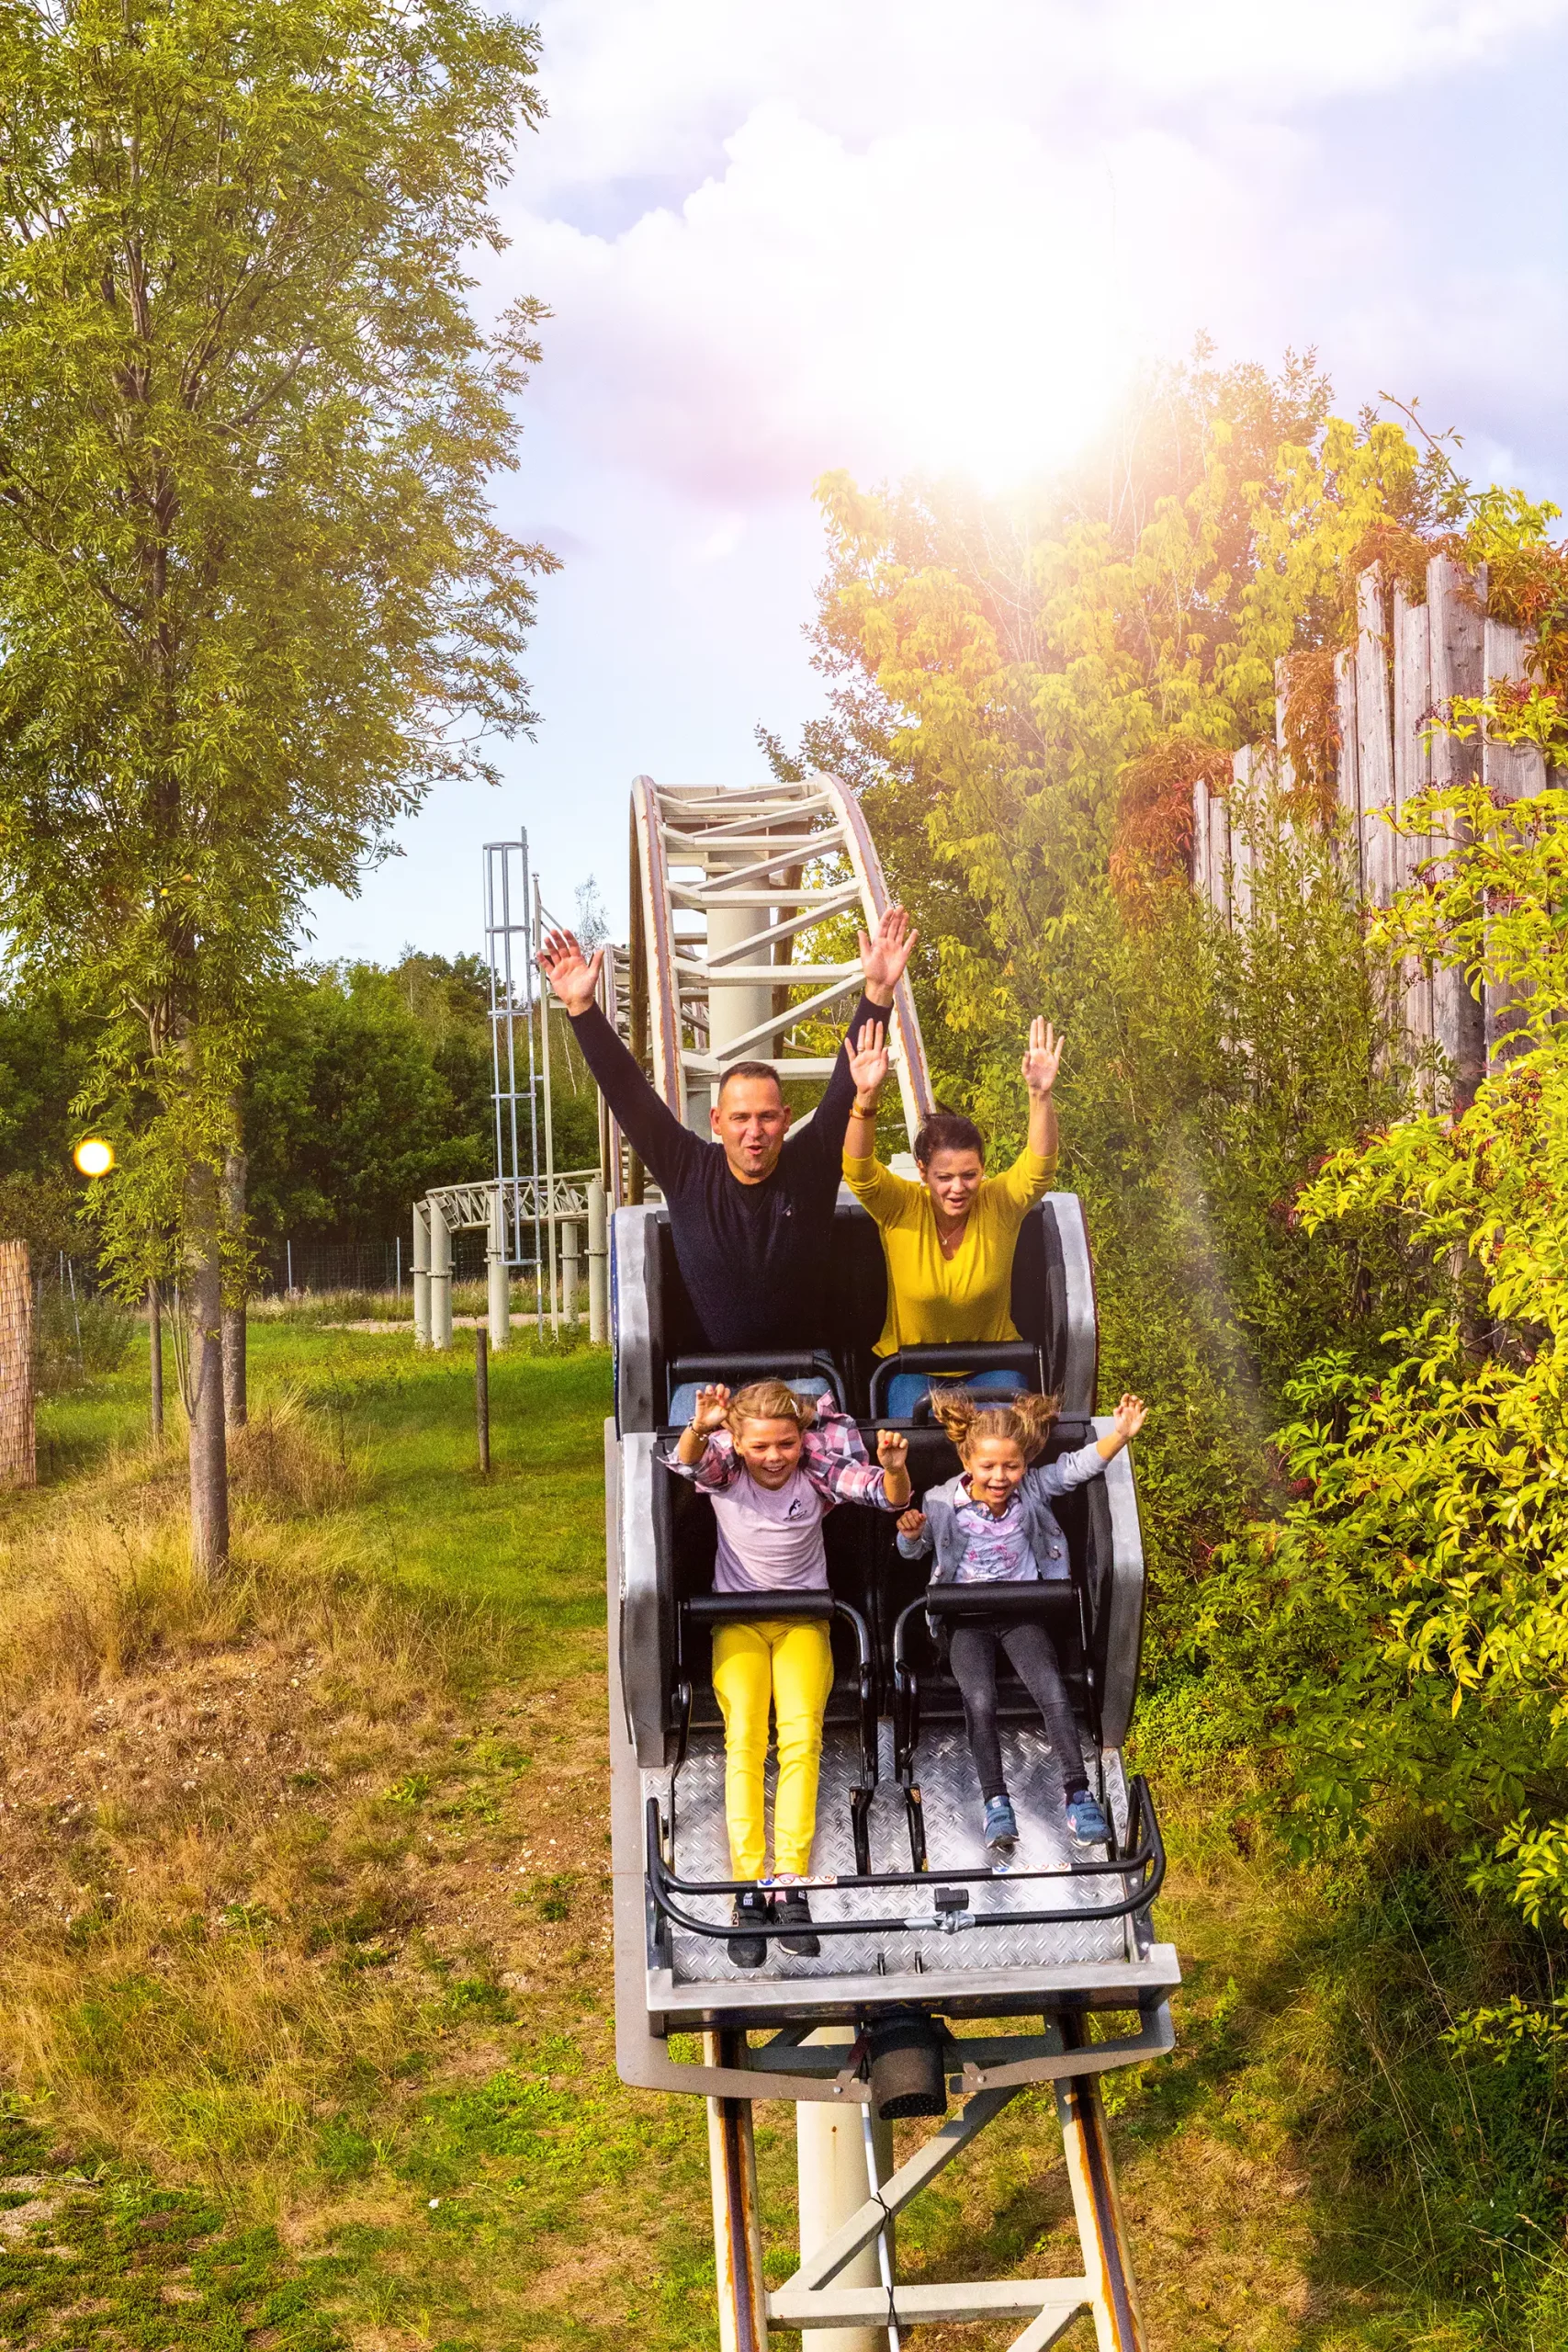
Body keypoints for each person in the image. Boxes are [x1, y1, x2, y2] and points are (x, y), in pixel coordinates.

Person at [536, 910, 918, 1352]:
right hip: (710, 1387)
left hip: (802, 1382)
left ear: (787, 1118)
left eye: (766, 1117)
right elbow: (628, 1095)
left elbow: (846, 1087)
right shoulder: (687, 1171)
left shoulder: (809, 1167)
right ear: (717, 1121)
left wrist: (879, 991)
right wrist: (582, 1009)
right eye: (740, 1118)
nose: (754, 1131)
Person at [667, 1379, 910, 1966]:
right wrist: (701, 1427)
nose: (774, 1458)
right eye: (761, 1447)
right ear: (738, 1443)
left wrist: (896, 1469)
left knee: (802, 1740)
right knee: (745, 1741)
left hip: (804, 1620)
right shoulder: (724, 1470)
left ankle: (790, 1880)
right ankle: (746, 1887)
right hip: (739, 1622)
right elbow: (685, 1465)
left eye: (785, 1444)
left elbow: (886, 1496)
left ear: (802, 1438)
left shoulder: (816, 1472)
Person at [896, 1386, 1147, 1851]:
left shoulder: (1030, 1490)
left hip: (1021, 1612)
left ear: (1024, 1465)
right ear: (967, 1462)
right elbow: (916, 1552)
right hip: (965, 1617)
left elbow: (1077, 1467)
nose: (1000, 1476)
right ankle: (996, 1802)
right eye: (988, 1467)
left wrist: (1120, 1435)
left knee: (1051, 1690)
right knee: (980, 1698)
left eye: (1010, 1466)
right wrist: (910, 1534)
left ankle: (1078, 1793)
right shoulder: (939, 1502)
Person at [840, 1015, 1064, 1398]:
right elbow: (858, 1171)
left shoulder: (998, 1203)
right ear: (924, 1173)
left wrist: (1040, 1095)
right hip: (912, 1369)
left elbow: (1039, 1169)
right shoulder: (902, 1207)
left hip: (993, 1366)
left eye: (969, 1175)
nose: (958, 1188)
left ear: (983, 1170)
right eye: (945, 1178)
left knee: (1003, 1445)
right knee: (909, 1441)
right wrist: (865, 1099)